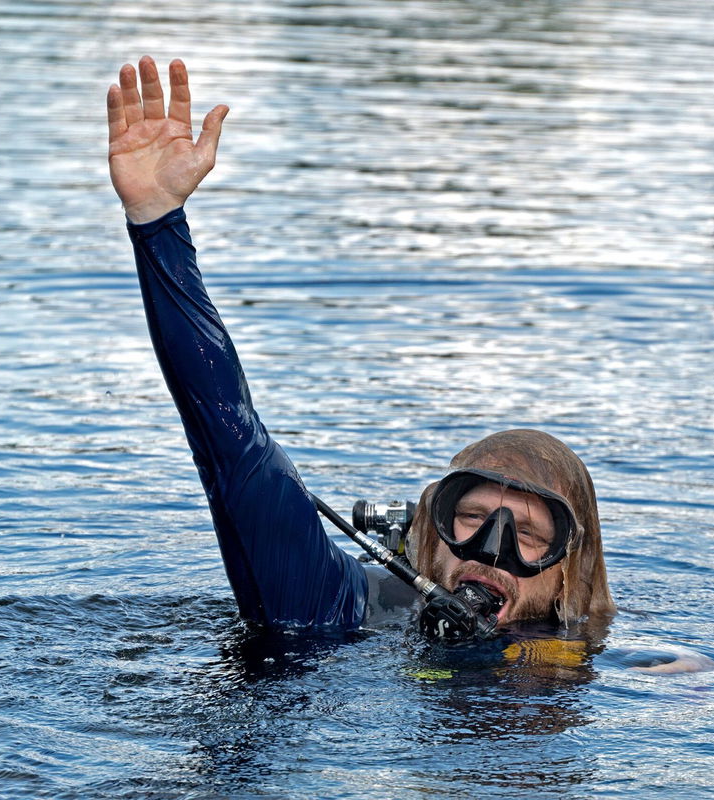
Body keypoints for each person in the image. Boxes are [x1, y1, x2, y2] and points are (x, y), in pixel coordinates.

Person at [107, 57, 616, 637]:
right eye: (470, 518)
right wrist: (158, 221)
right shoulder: (343, 608)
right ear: (429, 533)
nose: (490, 551)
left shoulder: (616, 666)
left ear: (569, 573)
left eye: (528, 536)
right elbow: (232, 440)